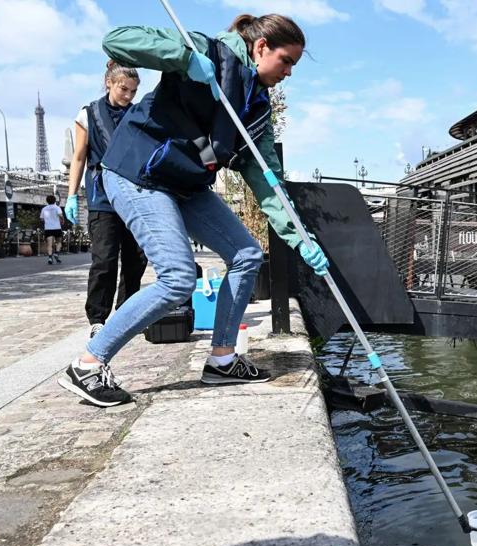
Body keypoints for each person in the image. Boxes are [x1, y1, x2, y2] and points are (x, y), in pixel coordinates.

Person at [58, 13, 329, 407]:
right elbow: (118, 40)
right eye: (286, 61)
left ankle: (222, 359)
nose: (288, 73)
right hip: (137, 173)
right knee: (177, 278)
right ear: (261, 47)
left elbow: (267, 178)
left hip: (184, 184)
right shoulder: (206, 51)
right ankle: (87, 363)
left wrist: (298, 236)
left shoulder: (255, 107)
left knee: (247, 254)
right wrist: (183, 59)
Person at [65, 60, 148, 338]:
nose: (128, 96)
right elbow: (78, 157)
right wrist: (72, 196)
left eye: (134, 91)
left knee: (137, 259)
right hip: (103, 198)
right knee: (105, 260)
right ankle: (98, 318)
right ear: (109, 82)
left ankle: (126, 313)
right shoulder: (88, 114)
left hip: (134, 196)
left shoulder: (137, 114)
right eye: (124, 89)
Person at [40, 195, 65, 264]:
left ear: (47, 201)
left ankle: (50, 258)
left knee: (49, 244)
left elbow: (41, 219)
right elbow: (61, 215)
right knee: (59, 242)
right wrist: (62, 221)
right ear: (55, 201)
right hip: (57, 227)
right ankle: (56, 253)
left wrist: (47, 220)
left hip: (48, 228)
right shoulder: (57, 208)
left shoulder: (44, 209)